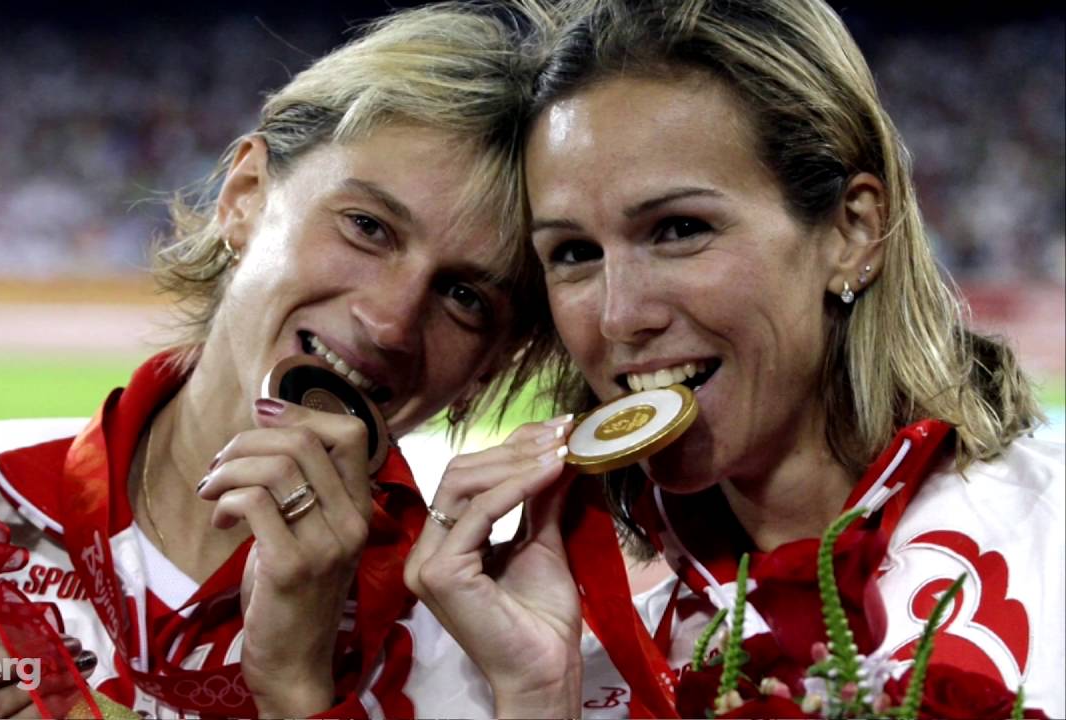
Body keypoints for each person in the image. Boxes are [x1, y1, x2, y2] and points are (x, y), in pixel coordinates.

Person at [0, 3, 559, 718]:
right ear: (244, 196)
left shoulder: (475, 646)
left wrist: (296, 690)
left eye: (466, 297)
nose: (390, 322)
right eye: (367, 227)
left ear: (491, 365)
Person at [404, 0, 1065, 717]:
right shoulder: (541, 645)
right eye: (573, 253)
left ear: (852, 231)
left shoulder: (1049, 530)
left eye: (679, 229)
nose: (620, 316)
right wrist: (535, 699)